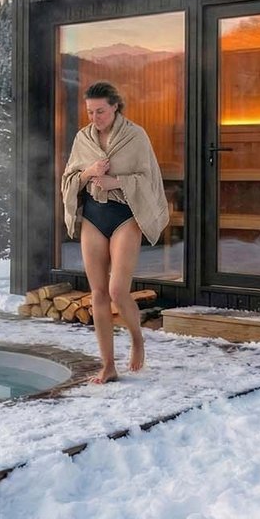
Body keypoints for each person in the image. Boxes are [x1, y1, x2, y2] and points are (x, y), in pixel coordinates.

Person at [60, 81, 170, 383]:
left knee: (118, 290)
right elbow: (70, 178)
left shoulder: (135, 136)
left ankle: (137, 338)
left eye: (101, 112)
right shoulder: (83, 137)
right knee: (97, 292)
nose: (95, 118)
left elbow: (149, 180)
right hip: (95, 216)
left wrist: (116, 181)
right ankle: (108, 365)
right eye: (90, 112)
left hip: (125, 215)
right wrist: (88, 173)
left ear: (115, 107)